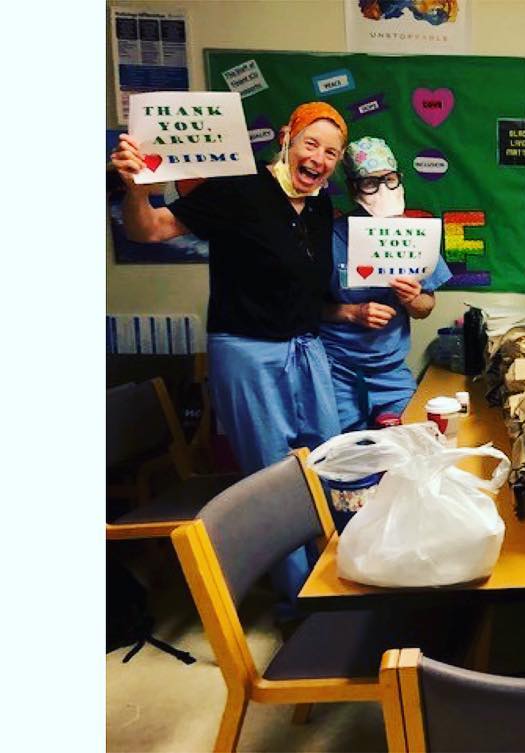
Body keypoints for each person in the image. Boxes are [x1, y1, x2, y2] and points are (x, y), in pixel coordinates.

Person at [110, 101, 349, 624]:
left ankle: (331, 584)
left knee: (326, 465)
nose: (319, 158)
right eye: (311, 144)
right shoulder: (239, 188)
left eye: (332, 153)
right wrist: (138, 190)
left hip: (307, 349)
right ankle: (301, 607)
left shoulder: (320, 206)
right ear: (287, 138)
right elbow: (150, 230)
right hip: (248, 352)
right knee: (273, 479)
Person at [322, 136, 452, 432]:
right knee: (345, 450)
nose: (383, 189)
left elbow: (425, 308)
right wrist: (352, 313)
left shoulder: (413, 237)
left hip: (391, 371)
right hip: (337, 370)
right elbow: (306, 307)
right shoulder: (331, 238)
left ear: (400, 179)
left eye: (390, 179)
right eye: (370, 183)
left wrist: (412, 298)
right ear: (354, 188)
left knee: (411, 440)